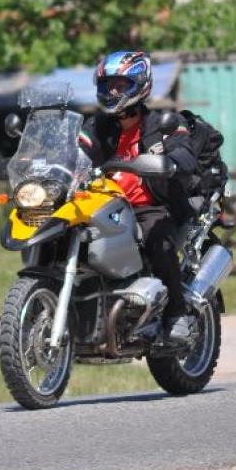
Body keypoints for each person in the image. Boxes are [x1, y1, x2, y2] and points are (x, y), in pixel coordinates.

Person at [78, 50, 197, 344]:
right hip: (104, 205)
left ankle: (176, 313)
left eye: (120, 85)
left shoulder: (164, 123)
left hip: (149, 205)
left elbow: (184, 151)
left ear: (139, 85)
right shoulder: (97, 127)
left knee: (159, 240)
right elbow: (76, 151)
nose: (113, 91)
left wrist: (174, 161)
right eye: (108, 85)